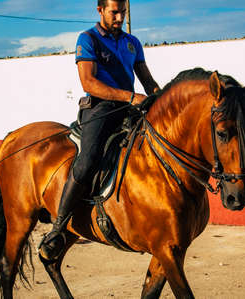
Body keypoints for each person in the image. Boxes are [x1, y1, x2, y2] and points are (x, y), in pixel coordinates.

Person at [39, 0, 159, 261]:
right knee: (88, 160)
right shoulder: (87, 39)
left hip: (129, 108)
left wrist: (163, 99)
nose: (119, 17)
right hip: (99, 109)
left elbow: (148, 81)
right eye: (114, 12)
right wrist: (129, 97)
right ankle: (58, 228)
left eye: (122, 13)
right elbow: (89, 82)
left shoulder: (132, 43)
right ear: (100, 10)